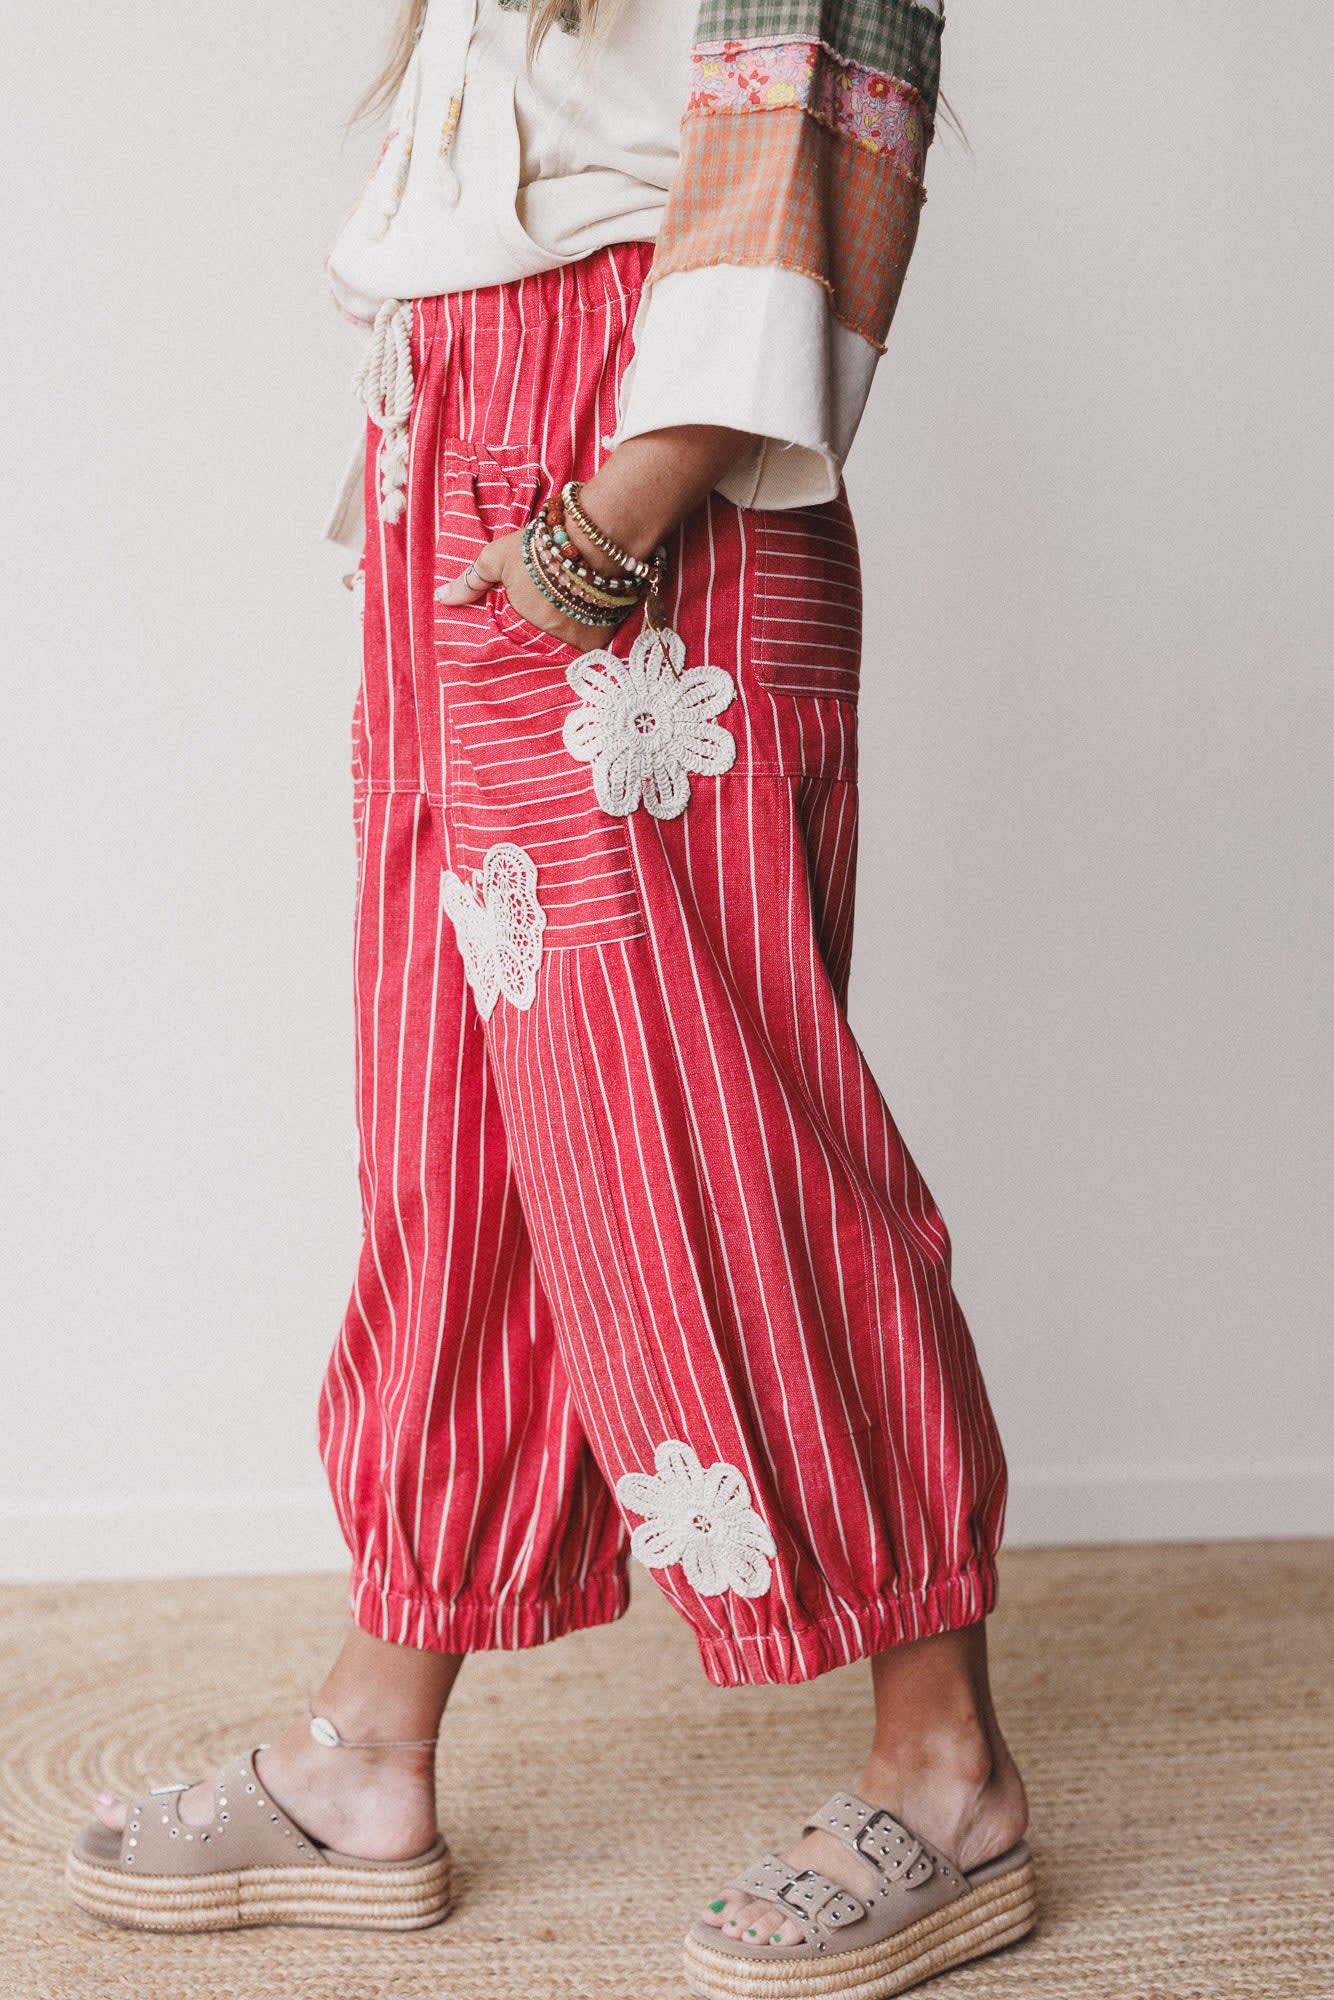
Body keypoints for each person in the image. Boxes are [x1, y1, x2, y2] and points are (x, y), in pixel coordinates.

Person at [64, 1, 1037, 1992]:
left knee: (706, 1131)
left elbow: (796, 159)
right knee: (465, 1142)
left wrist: (614, 518)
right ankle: (367, 1743)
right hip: (458, 441)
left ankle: (945, 1769)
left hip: (635, 470)